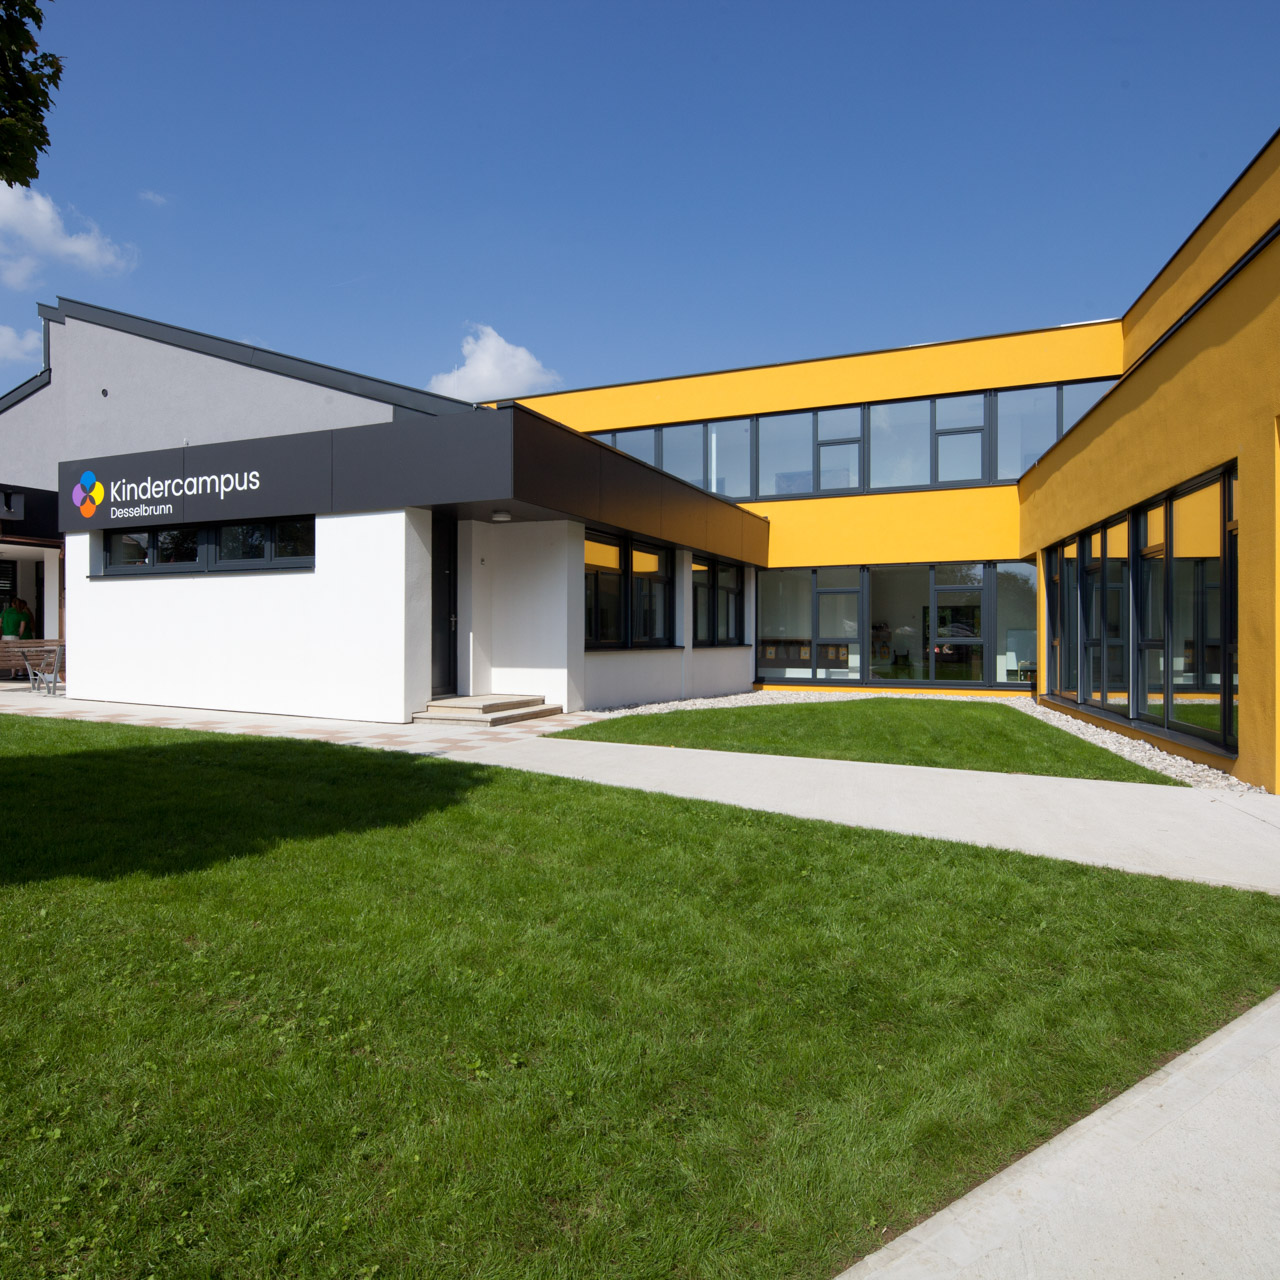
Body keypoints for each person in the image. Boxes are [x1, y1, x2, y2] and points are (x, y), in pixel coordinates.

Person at [0, 595, 23, 679]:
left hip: (4, 636)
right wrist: (18, 635)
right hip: (14, 636)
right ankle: (13, 674)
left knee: (3, 655)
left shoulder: (4, 612)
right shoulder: (21, 614)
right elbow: (21, 629)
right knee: (14, 656)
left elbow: (0, 624)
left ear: (12, 604)